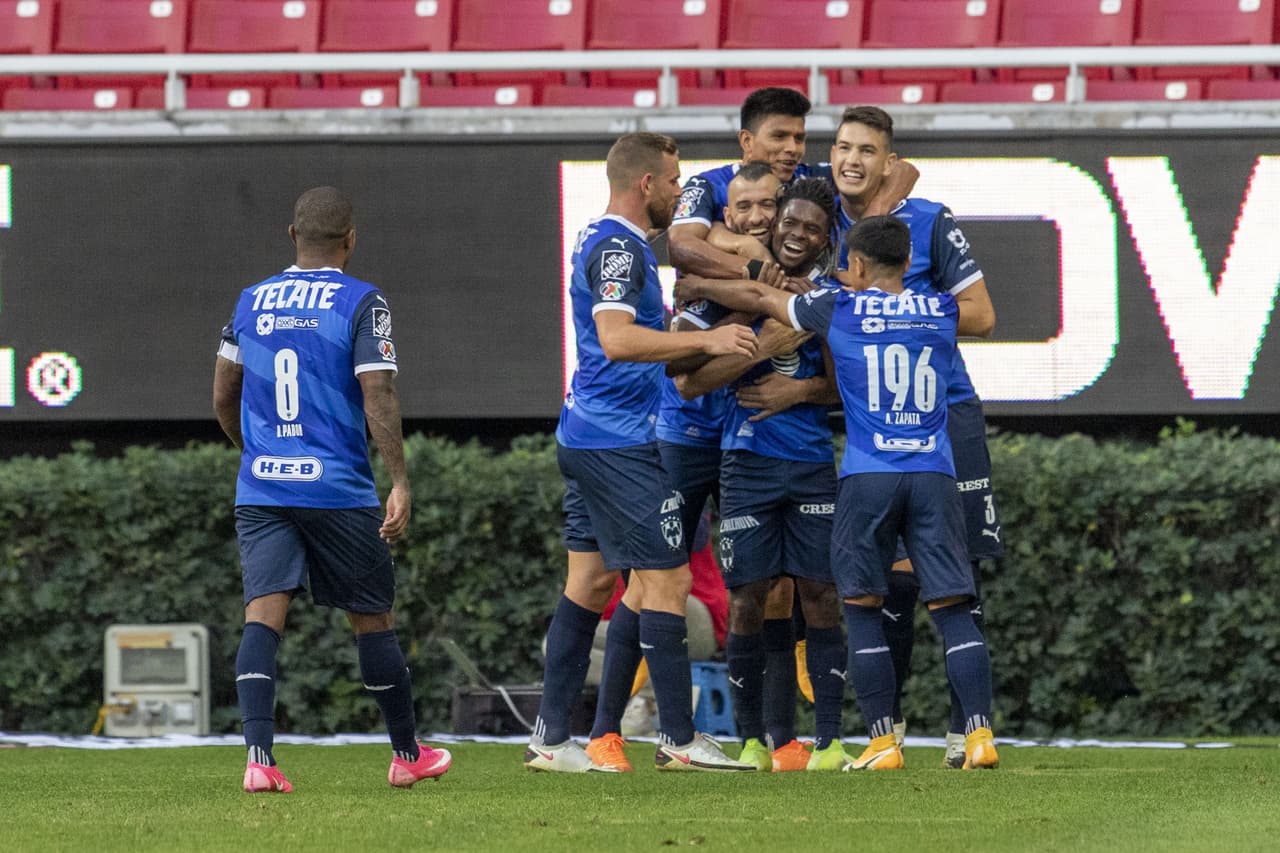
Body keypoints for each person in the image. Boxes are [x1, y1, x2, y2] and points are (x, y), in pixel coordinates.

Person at [674, 216, 1000, 772]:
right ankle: (979, 736)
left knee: (862, 608)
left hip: (869, 475)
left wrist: (700, 285)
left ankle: (882, 743)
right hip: (934, 472)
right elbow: (983, 318)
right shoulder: (940, 308)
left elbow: (760, 297)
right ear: (907, 262)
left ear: (859, 265)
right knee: (953, 607)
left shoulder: (840, 307)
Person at [526, 132, 758, 774]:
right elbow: (618, 340)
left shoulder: (601, 239)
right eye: (675, 180)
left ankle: (550, 738)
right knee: (669, 580)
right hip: (618, 443)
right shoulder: (620, 247)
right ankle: (679, 739)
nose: (682, 192)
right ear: (646, 183)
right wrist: (707, 343)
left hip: (588, 434)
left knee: (591, 581)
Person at [212, 186, 451, 793]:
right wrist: (399, 479)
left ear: (293, 235)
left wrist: (256, 452)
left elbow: (222, 393)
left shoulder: (250, 300)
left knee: (262, 619)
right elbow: (379, 392)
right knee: (372, 619)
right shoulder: (363, 301)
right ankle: (406, 755)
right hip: (338, 488)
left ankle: (259, 761)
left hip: (263, 488)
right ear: (351, 239)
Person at [828, 105, 1001, 767]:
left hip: (943, 411)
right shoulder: (822, 216)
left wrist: (897, 309)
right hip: (870, 416)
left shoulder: (929, 220)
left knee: (958, 574)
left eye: (867, 150)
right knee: (893, 584)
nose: (852, 160)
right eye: (843, 147)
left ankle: (963, 731)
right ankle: (891, 726)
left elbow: (982, 314)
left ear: (890, 161)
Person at [673, 178, 850, 772]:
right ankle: (751, 741)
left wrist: (797, 390)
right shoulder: (738, 294)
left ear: (826, 240)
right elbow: (689, 381)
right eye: (789, 222)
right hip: (745, 462)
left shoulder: (828, 297)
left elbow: (840, 388)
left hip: (810, 464)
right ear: (774, 227)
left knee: (820, 595)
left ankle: (829, 742)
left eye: (812, 229)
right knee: (746, 598)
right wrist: (762, 340)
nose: (797, 234)